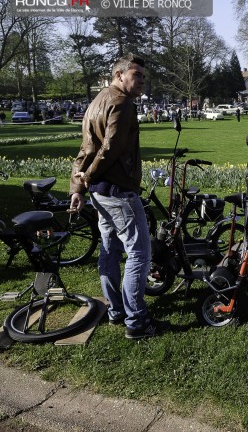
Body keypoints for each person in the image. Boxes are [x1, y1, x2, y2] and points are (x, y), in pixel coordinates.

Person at [69, 53, 168, 340]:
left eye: (143, 77)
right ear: (119, 75)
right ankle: (136, 322)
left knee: (110, 251)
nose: (141, 82)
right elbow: (109, 150)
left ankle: (116, 311)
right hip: (118, 193)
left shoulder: (97, 101)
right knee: (139, 254)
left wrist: (78, 187)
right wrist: (85, 179)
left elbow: (85, 149)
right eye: (136, 75)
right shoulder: (122, 104)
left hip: (101, 195)